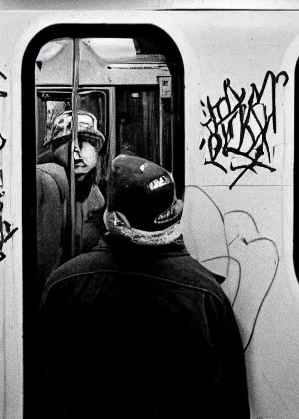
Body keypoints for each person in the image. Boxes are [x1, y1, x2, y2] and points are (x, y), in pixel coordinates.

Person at [39, 154, 249, 418]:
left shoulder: (64, 283)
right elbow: (230, 402)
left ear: (112, 218)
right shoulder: (207, 295)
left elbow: (46, 389)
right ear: (173, 217)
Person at [34, 109, 107, 300]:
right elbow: (44, 263)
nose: (76, 152)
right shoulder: (47, 179)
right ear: (54, 150)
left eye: (85, 143)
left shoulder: (92, 189)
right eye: (66, 144)